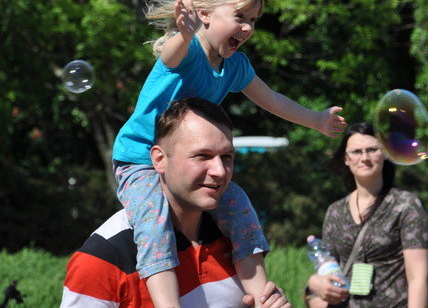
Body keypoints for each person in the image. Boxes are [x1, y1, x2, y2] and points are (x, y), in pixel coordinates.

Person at [112, 0, 346, 308]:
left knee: (238, 205)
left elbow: (272, 100)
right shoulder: (187, 50)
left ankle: (260, 295)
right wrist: (185, 32)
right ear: (204, 13)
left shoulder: (235, 66)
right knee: (154, 221)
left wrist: (316, 120)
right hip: (141, 159)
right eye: (240, 17)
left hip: (191, 166)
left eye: (252, 20)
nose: (248, 28)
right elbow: (170, 57)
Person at [61, 98, 290, 308]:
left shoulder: (234, 234)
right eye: (202, 156)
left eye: (227, 157)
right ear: (159, 159)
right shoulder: (103, 258)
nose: (220, 171)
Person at [306, 122, 428, 308]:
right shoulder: (335, 211)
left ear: (385, 154)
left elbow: (418, 278)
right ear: (346, 159)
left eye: (372, 149)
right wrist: (315, 283)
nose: (365, 157)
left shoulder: (405, 205)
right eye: (356, 152)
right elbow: (330, 270)